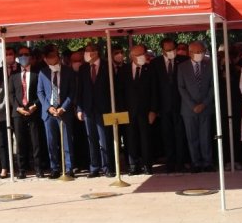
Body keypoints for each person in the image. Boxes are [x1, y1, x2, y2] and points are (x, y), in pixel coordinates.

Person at [117, 44, 157, 175]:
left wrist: (153, 110)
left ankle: (147, 165)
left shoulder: (150, 69)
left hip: (145, 111)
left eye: (143, 54)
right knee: (130, 138)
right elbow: (120, 92)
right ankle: (133, 165)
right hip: (128, 111)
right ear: (132, 56)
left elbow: (154, 91)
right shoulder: (124, 70)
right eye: (138, 55)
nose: (142, 57)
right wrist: (122, 110)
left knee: (146, 139)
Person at [150, 38, 189, 173]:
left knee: (180, 134)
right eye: (168, 50)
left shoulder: (183, 61)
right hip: (164, 106)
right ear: (162, 50)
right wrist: (154, 108)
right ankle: (170, 163)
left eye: (173, 49)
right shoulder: (155, 63)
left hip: (181, 104)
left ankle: (181, 162)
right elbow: (154, 87)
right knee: (167, 135)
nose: (171, 51)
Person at [37, 49, 76, 178]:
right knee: (51, 142)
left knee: (67, 141)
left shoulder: (68, 71)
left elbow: (72, 91)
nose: (50, 60)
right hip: (49, 113)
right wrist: (48, 107)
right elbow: (40, 92)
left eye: (52, 57)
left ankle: (69, 168)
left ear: (58, 57)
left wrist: (63, 107)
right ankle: (54, 168)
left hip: (64, 111)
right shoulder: (43, 72)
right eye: (48, 58)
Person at [177, 41, 214, 173]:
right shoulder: (182, 67)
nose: (200, 54)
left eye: (202, 51)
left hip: (206, 107)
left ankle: (207, 162)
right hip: (189, 109)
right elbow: (181, 88)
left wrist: (204, 103)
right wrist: (193, 105)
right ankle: (196, 163)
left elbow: (213, 86)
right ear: (190, 53)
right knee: (192, 137)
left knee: (205, 136)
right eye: (197, 52)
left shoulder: (209, 65)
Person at [76, 44, 112, 178]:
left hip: (104, 108)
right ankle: (94, 167)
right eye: (85, 51)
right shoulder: (83, 68)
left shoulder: (107, 66)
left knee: (105, 138)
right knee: (91, 139)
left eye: (88, 51)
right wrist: (79, 108)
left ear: (96, 52)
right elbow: (79, 90)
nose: (86, 54)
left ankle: (107, 167)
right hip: (88, 109)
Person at [9, 46, 43, 178]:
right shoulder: (13, 75)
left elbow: (41, 92)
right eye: (21, 54)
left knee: (36, 141)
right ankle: (21, 170)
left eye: (26, 54)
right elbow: (11, 94)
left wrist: (35, 105)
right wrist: (17, 107)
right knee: (20, 142)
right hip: (18, 112)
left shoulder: (37, 73)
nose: (24, 56)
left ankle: (38, 169)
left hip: (33, 111)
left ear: (30, 56)